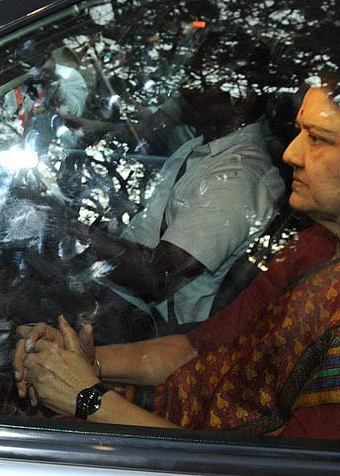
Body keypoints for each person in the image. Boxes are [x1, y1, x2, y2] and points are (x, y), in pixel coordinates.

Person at [12, 79, 340, 447]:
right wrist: (82, 360)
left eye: (319, 139)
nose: (290, 153)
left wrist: (90, 399)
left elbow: (289, 467)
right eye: (299, 133)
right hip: (202, 432)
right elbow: (198, 348)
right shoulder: (321, 243)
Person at [76, 31, 286, 337]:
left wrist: (77, 232)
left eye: (197, 79)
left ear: (240, 98)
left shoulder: (237, 179)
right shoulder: (201, 149)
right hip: (120, 299)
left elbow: (154, 278)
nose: (183, 87)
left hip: (146, 327)